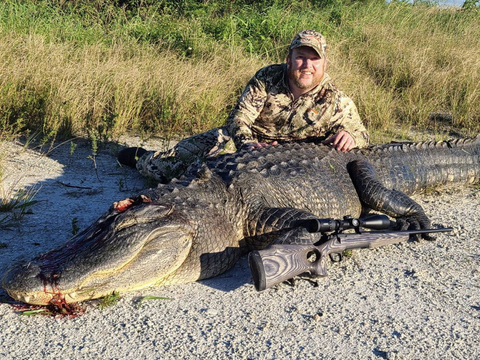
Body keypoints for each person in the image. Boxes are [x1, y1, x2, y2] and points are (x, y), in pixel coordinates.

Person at [119, 29, 369, 183]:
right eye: (301, 57)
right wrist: (248, 145)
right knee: (168, 168)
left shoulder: (336, 100)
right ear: (289, 59)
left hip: (294, 160)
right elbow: (239, 119)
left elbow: (362, 135)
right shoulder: (267, 78)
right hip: (250, 143)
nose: (307, 65)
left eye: (314, 58)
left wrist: (351, 136)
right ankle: (143, 158)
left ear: (324, 64)